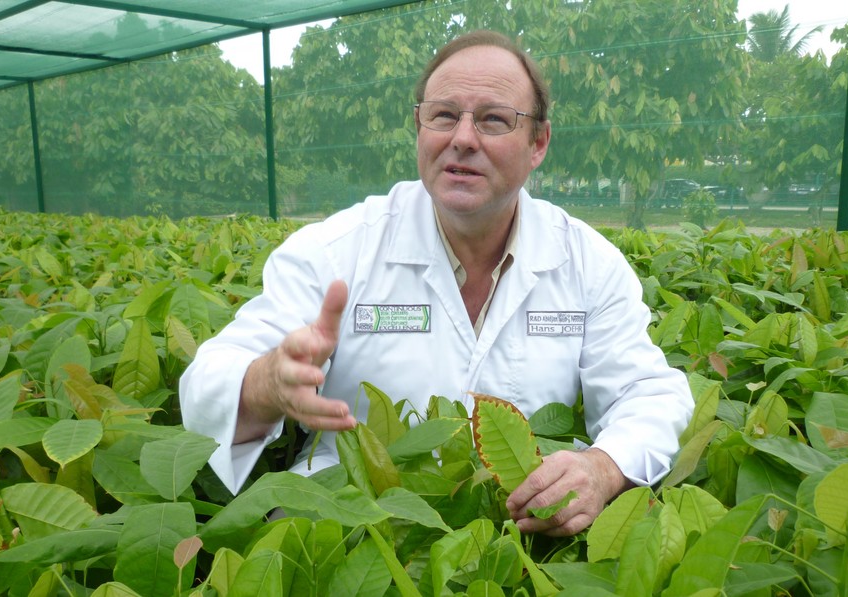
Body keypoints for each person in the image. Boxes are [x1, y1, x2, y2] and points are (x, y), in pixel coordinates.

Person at [180, 30, 693, 537]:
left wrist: (603, 467)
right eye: (443, 115)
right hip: (347, 533)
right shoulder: (335, 251)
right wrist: (268, 383)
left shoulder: (587, 262)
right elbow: (207, 382)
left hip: (518, 540)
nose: (462, 138)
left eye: (494, 119)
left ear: (538, 143)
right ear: (419, 127)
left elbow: (648, 392)